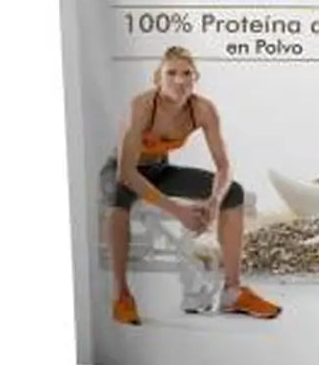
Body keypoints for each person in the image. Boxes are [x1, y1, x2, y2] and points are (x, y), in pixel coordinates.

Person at [104, 46, 282, 325]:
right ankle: (121, 296)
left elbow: (223, 166)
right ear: (157, 78)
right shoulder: (142, 106)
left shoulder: (202, 109)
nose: (180, 80)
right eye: (171, 73)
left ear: (195, 78)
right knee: (118, 202)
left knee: (233, 193)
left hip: (159, 170)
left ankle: (233, 291)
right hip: (123, 172)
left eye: (187, 73)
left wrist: (214, 201)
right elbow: (126, 172)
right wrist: (178, 211)